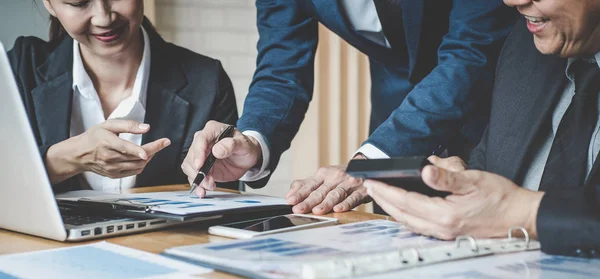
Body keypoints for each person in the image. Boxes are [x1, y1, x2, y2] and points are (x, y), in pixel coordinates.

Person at [181, 1, 517, 211]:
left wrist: (372, 160)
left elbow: (472, 53)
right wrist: (253, 141)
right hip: (394, 118)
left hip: (502, 112)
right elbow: (282, 65)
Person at [364, 0, 600, 257]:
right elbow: (490, 177)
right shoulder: (524, 45)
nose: (512, 1)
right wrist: (456, 187)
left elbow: (510, 207)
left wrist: (526, 213)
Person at [9, 0, 237, 194]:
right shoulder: (19, 70)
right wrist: (69, 158)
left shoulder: (207, 82)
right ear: (48, 3)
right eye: (79, 2)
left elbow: (228, 206)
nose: (103, 18)